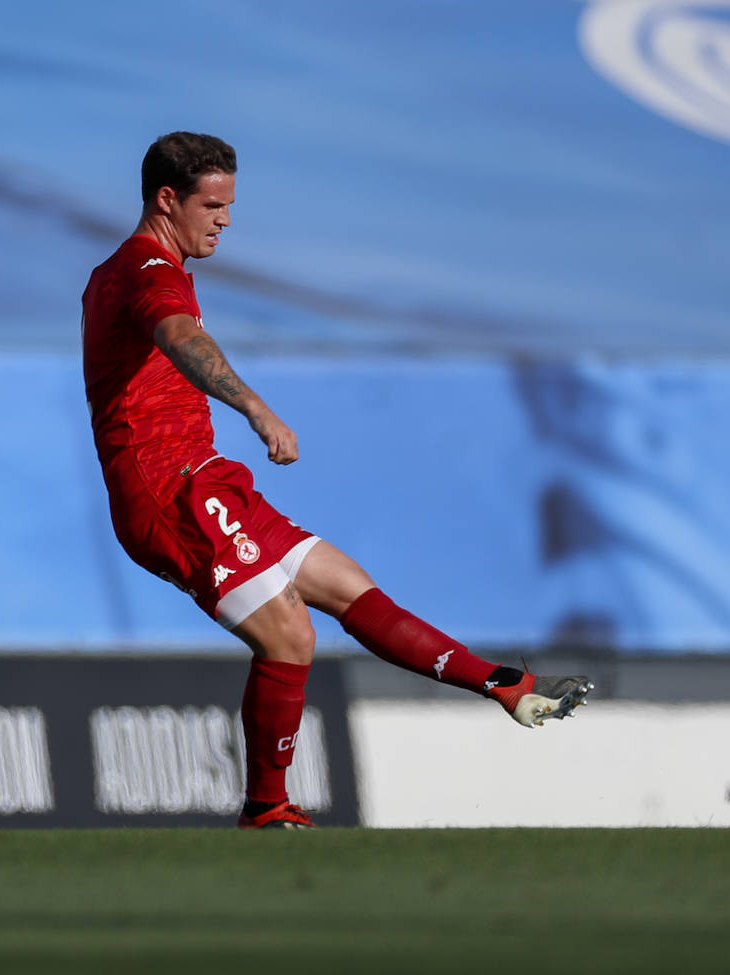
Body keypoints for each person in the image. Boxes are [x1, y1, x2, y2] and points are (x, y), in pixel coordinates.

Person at [82, 132, 592, 830]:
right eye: (213, 204)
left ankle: (503, 683)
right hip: (166, 489)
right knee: (290, 634)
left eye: (230, 204)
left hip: (205, 477)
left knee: (347, 585)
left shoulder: (141, 268)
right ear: (168, 199)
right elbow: (182, 339)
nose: (226, 219)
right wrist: (256, 407)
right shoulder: (146, 271)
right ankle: (266, 807)